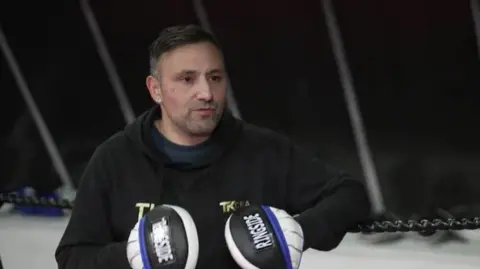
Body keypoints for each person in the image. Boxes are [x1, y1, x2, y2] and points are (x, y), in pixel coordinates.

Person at [55, 24, 371, 269]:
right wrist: (132, 256)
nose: (206, 92)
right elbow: (72, 257)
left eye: (215, 77)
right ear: (156, 89)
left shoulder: (263, 151)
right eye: (187, 79)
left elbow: (350, 194)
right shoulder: (115, 159)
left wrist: (298, 231)